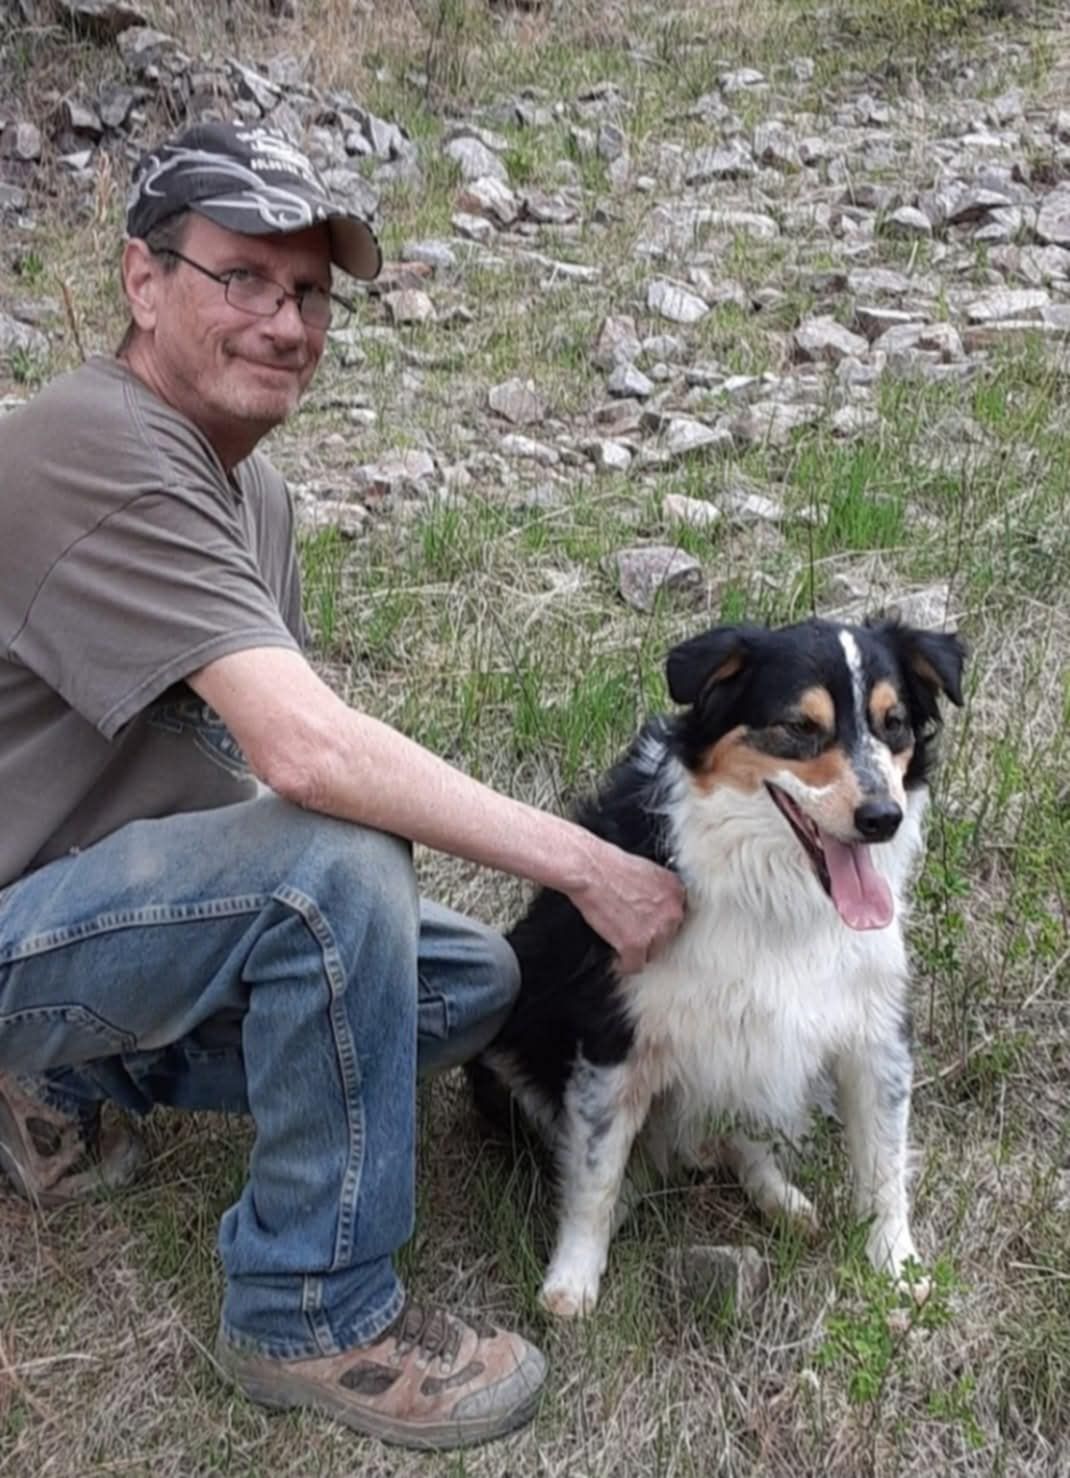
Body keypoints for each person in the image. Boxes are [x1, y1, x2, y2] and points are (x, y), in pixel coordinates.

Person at [0, 121, 686, 1452]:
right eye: (242, 277)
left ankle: (63, 1080)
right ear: (143, 282)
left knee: (466, 980)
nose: (284, 319)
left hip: (85, 895)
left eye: (309, 291)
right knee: (335, 867)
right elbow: (309, 757)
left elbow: (264, 751)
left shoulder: (250, 498)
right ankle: (310, 1311)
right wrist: (589, 863)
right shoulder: (93, 445)